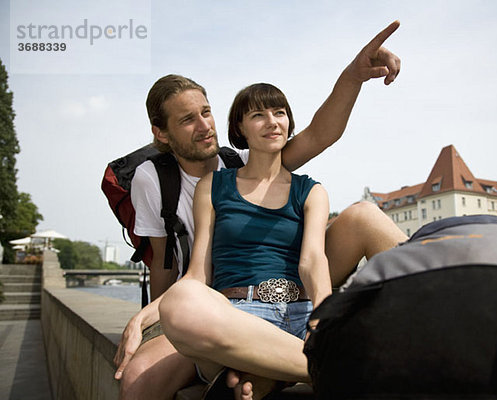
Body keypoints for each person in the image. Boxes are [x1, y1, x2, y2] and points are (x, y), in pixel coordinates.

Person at [114, 20, 408, 399]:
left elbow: (321, 135)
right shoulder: (160, 181)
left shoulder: (259, 166)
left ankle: (444, 304)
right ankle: (318, 367)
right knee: (146, 363)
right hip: (228, 305)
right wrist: (146, 318)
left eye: (206, 112)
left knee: (366, 214)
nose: (204, 126)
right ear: (162, 132)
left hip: (295, 298)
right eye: (188, 119)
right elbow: (169, 267)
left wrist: (353, 75)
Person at [159, 82, 330, 399]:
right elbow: (198, 272)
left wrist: (324, 317)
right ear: (240, 128)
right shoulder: (213, 186)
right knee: (179, 302)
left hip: (301, 314)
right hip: (240, 318)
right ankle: (329, 369)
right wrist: (154, 310)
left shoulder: (311, 190)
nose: (272, 121)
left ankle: (269, 373)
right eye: (258, 114)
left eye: (279, 112)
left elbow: (313, 260)